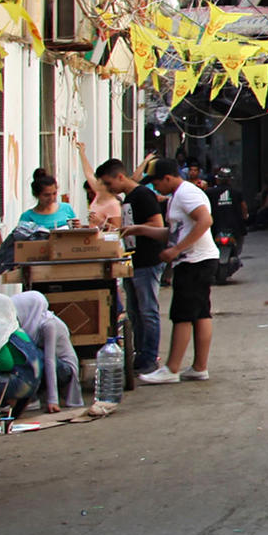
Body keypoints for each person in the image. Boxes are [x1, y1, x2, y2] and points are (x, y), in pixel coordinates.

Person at [97, 159, 169, 383]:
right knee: (135, 311)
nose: (109, 189)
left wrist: (135, 229)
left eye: (109, 183)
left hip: (148, 260)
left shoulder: (142, 196)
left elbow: (158, 226)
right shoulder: (128, 199)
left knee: (147, 310)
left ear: (120, 176)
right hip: (133, 260)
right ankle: (140, 353)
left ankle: (150, 356)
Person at [154, 159, 219, 380]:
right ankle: (199, 367)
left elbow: (205, 220)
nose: (156, 190)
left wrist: (177, 250)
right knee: (200, 313)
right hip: (197, 259)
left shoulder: (185, 193)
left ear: (167, 178)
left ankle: (172, 369)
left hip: (194, 260)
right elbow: (176, 231)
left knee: (182, 314)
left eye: (157, 184)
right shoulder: (178, 196)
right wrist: (140, 230)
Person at [11, 289, 84, 413]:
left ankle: (32, 399)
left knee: (33, 355)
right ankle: (27, 397)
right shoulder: (29, 325)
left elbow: (50, 361)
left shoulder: (48, 324)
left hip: (64, 370)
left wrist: (53, 400)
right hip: (47, 366)